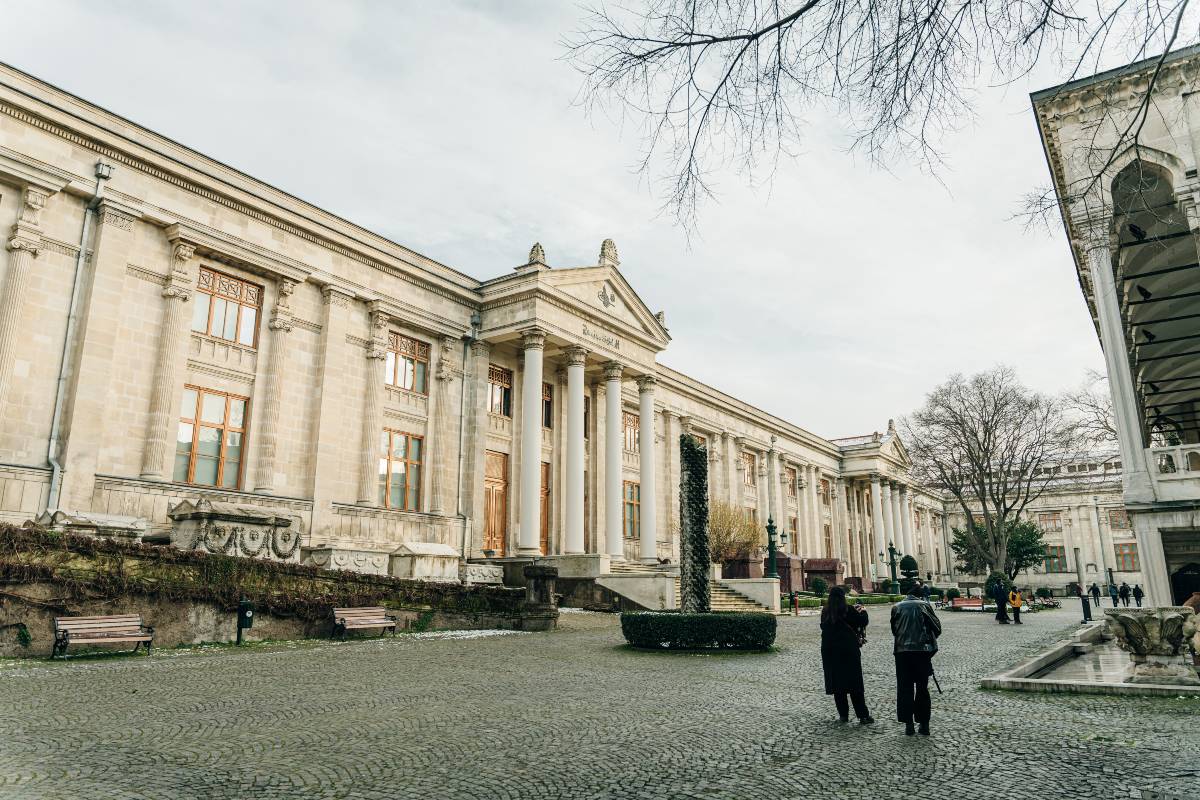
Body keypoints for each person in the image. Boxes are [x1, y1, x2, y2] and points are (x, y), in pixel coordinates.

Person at [891, 585, 942, 736]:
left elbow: (894, 630)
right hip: (921, 652)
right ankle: (924, 725)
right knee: (922, 688)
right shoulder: (924, 606)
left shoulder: (896, 607)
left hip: (902, 653)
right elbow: (937, 628)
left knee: (905, 688)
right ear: (920, 596)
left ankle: (909, 725)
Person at [820, 586, 874, 725]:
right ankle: (863, 716)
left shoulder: (826, 611)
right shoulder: (848, 609)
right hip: (848, 651)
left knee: (838, 685)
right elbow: (862, 621)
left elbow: (823, 627)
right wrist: (864, 611)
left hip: (830, 652)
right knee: (855, 683)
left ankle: (843, 715)